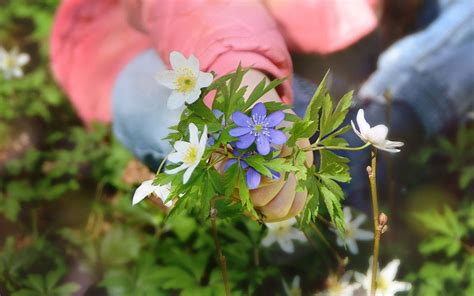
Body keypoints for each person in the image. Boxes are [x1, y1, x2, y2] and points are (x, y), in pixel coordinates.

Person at [50, 0, 473, 218]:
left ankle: (392, 117)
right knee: (162, 107)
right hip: (160, 36)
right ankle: (356, 143)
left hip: (327, 24)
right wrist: (245, 79)